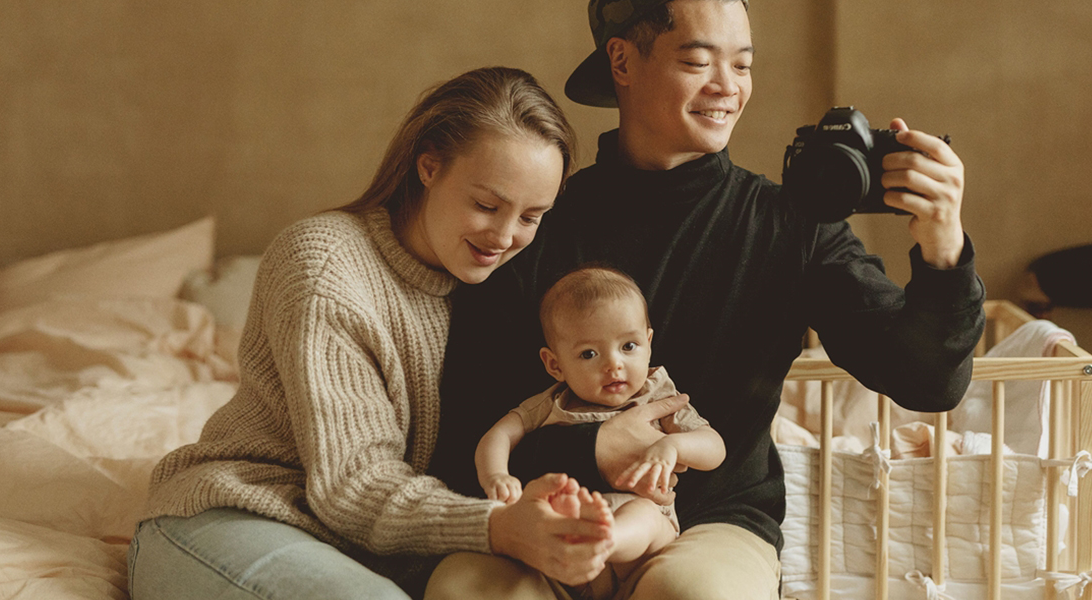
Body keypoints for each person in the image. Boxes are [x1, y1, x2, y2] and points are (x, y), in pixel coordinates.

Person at [425, 1, 986, 599]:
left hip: (714, 524)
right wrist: (591, 452)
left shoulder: (789, 224)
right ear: (622, 61)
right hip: (552, 509)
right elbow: (467, 435)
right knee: (468, 588)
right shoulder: (537, 223)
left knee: (692, 593)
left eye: (742, 66)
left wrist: (943, 248)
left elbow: (930, 383)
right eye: (698, 62)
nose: (727, 87)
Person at [127, 66, 609, 600]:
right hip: (230, 518)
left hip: (364, 548)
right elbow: (354, 482)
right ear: (429, 167)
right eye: (486, 205)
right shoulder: (324, 264)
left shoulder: (503, 286)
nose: (504, 236)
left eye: (531, 217)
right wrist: (498, 525)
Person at [475, 267, 725, 593]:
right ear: (555, 364)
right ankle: (584, 539)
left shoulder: (657, 394)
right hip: (567, 543)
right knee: (546, 516)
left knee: (644, 514)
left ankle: (606, 539)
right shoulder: (552, 402)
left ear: (648, 343)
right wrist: (495, 475)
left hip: (640, 542)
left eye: (629, 346)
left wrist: (673, 446)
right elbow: (499, 435)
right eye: (589, 354)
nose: (613, 364)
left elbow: (715, 447)